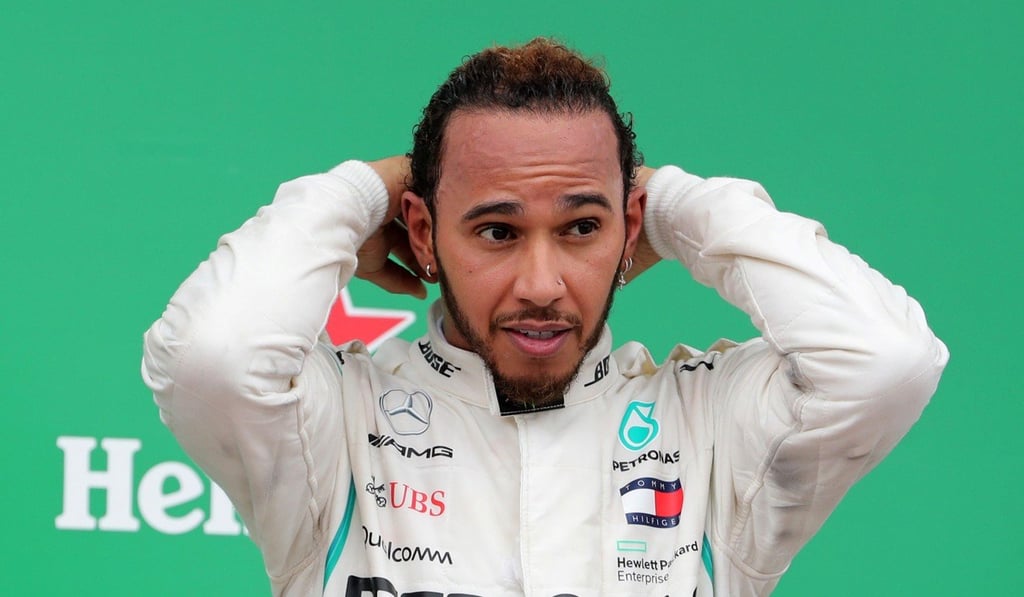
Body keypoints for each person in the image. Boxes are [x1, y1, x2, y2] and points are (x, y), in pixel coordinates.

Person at [141, 38, 948, 596]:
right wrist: (360, 192)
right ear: (424, 232)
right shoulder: (336, 425)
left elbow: (887, 359)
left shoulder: (708, 426)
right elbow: (215, 356)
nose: (541, 282)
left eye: (581, 227)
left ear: (627, 230)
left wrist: (673, 204)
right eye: (496, 229)